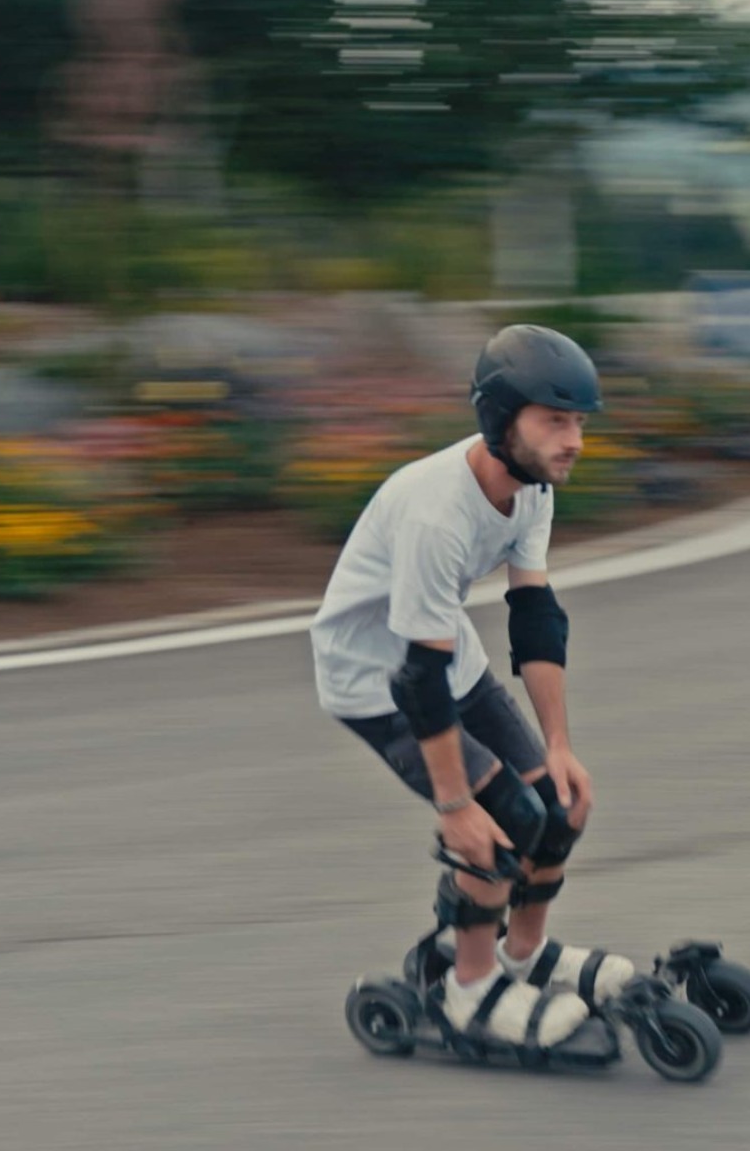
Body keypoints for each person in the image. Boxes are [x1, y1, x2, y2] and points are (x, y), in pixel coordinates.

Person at [311, 324, 637, 1052]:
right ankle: (468, 988)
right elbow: (413, 677)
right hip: (375, 682)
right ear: (501, 420)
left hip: (444, 661)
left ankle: (521, 955)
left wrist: (559, 744)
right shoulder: (436, 513)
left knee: (557, 803)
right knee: (496, 830)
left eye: (580, 422)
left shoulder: (532, 487)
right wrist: (455, 806)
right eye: (556, 421)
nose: (574, 439)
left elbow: (535, 619)